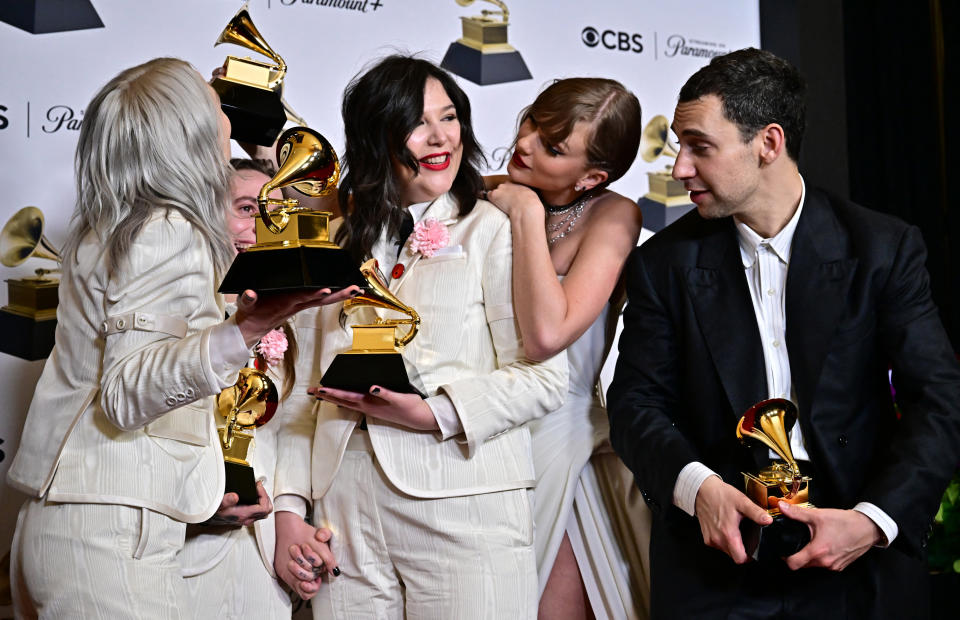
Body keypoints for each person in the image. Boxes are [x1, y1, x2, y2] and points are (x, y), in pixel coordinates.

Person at [606, 47, 960, 619]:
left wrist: (872, 522)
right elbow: (634, 403)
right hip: (717, 559)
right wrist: (698, 490)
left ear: (768, 144)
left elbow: (940, 400)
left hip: (856, 557)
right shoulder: (662, 264)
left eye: (700, 146)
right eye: (679, 147)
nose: (679, 169)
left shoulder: (883, 248)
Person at [5, 58, 354, 618]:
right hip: (112, 534)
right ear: (188, 131)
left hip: (78, 523)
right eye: (216, 107)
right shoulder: (169, 229)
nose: (228, 116)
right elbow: (127, 393)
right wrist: (250, 327)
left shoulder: (115, 227)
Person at [273, 55, 568, 618]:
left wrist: (434, 414)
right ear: (375, 136)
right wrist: (288, 510)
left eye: (450, 116)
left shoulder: (492, 228)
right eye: (417, 122)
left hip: (464, 496)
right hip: (343, 507)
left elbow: (544, 378)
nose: (440, 138)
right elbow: (300, 392)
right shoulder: (335, 240)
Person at [485, 77, 649, 619]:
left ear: (592, 176)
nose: (526, 143)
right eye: (532, 121)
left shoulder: (614, 215)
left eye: (553, 147)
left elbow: (548, 335)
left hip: (561, 435)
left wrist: (526, 214)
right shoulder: (487, 189)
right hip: (480, 424)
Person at [181, 158, 323, 619]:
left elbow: (288, 433)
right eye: (246, 209)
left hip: (260, 559)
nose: (261, 228)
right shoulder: (169, 310)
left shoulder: (290, 319)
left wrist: (289, 517)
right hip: (177, 552)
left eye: (274, 216)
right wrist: (197, 508)